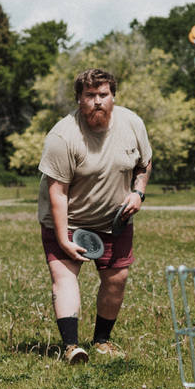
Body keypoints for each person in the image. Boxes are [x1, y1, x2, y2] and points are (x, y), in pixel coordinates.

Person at [38, 67, 152, 364]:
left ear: (113, 97)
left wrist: (138, 193)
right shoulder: (62, 136)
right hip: (69, 219)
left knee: (117, 278)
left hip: (114, 219)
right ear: (79, 99)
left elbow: (144, 164)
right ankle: (71, 347)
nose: (97, 101)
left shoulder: (132, 124)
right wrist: (63, 239)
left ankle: (102, 341)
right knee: (65, 278)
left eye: (104, 95)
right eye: (90, 95)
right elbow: (58, 193)